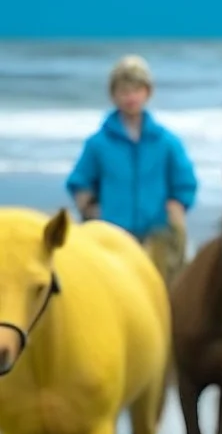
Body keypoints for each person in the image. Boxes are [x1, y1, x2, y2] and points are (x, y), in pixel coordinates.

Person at [65, 55, 198, 285]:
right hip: (112, 237)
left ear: (148, 92)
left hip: (158, 235)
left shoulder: (166, 142)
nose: (130, 97)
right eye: (123, 91)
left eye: (136, 90)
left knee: (163, 292)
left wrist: (176, 206)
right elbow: (80, 181)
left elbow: (185, 182)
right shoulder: (99, 143)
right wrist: (89, 207)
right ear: (113, 95)